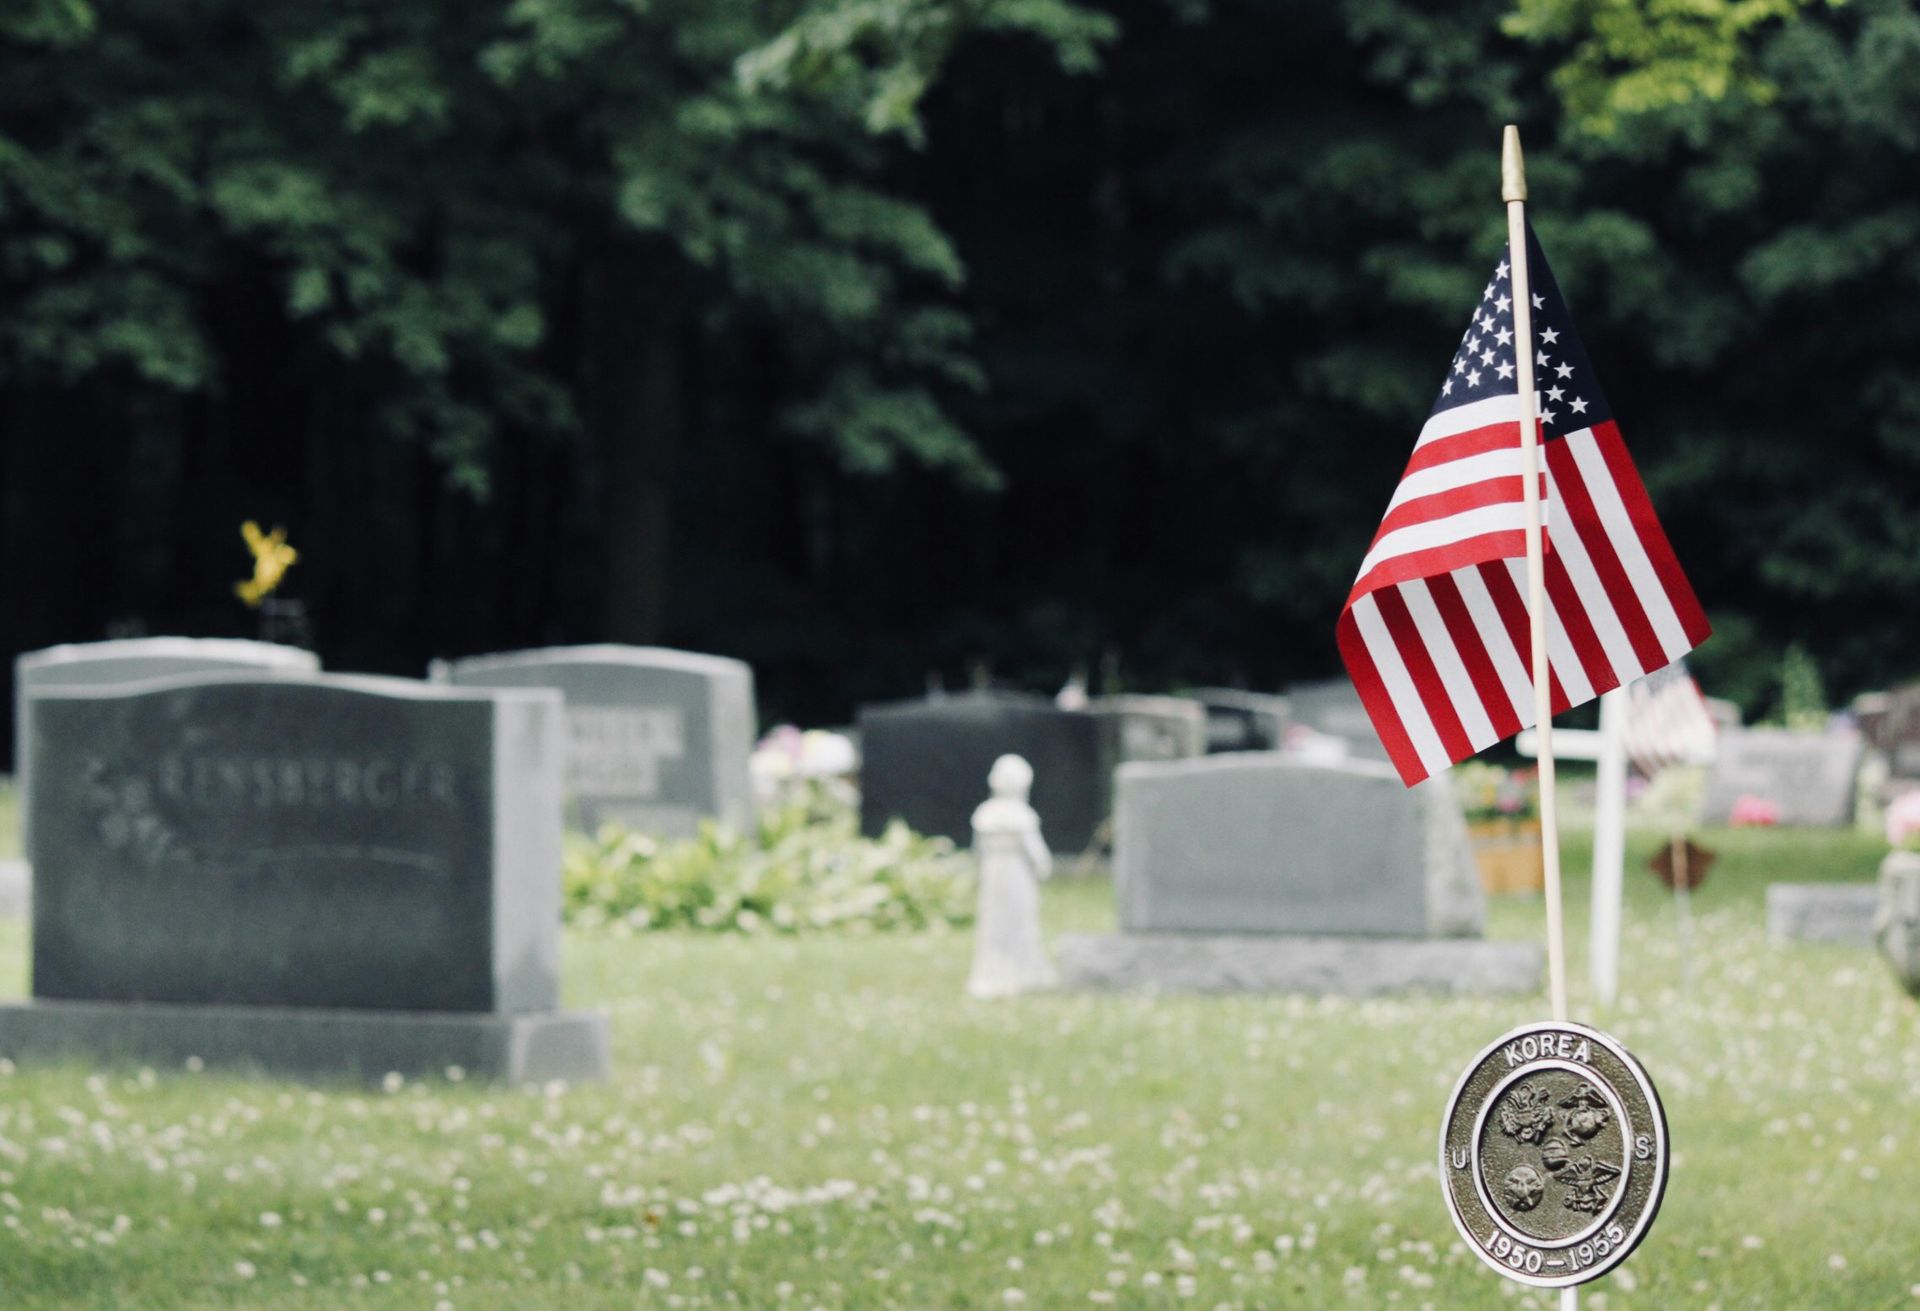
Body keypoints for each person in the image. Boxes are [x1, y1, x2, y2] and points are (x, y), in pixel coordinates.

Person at [966, 754, 1057, 997]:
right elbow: (1037, 853)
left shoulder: (985, 813)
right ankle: (1021, 973)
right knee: (1018, 921)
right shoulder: (1021, 815)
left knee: (997, 924)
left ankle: (999, 974)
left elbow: (978, 851)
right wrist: (1044, 869)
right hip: (1016, 874)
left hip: (993, 873)